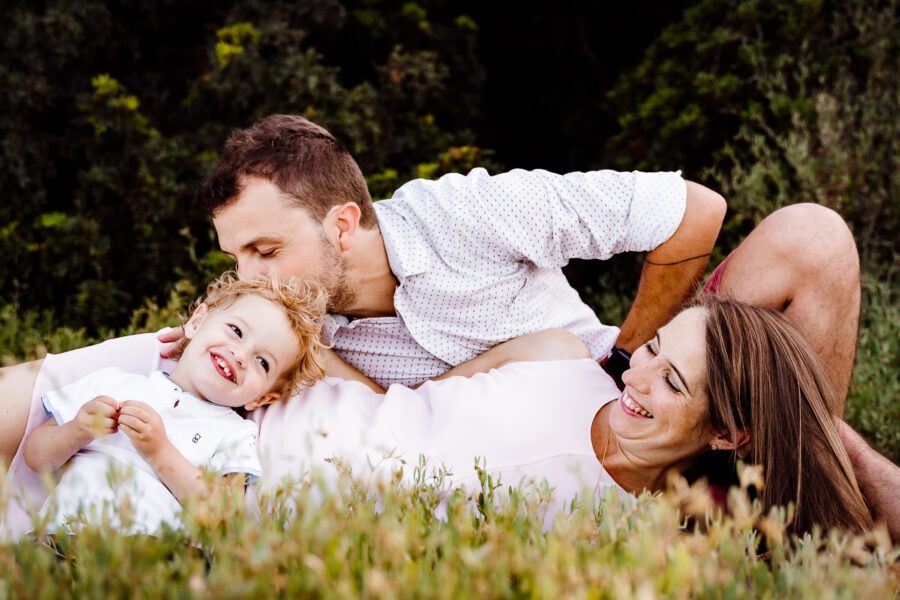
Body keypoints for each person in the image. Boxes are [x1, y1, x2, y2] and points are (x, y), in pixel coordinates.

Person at [1, 114, 896, 536]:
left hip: (616, 386)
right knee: (42, 389)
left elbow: (693, 213)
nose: (249, 277)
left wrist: (636, 352)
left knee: (814, 379)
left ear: (343, 227)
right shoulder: (281, 325)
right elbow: (394, 411)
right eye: (237, 259)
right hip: (509, 427)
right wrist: (226, 353)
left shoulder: (473, 219)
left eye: (265, 250)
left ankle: (799, 516)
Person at [251, 296, 872, 536]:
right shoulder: (558, 353)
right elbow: (397, 405)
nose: (636, 376)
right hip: (248, 402)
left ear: (728, 433)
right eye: (653, 347)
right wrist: (278, 354)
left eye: (672, 382)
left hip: (247, 519)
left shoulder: (635, 541)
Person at [15, 273, 326, 536]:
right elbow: (35, 456)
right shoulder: (114, 382)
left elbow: (222, 517)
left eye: (262, 362)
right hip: (64, 537)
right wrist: (77, 430)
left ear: (263, 398)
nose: (241, 355)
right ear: (197, 321)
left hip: (156, 554)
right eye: (236, 331)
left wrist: (160, 452)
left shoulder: (234, 433)